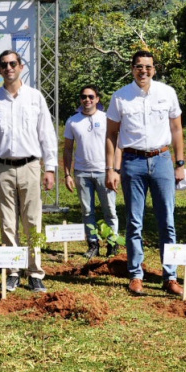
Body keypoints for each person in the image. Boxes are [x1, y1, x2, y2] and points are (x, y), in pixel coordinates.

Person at [105, 50, 186, 296]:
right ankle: (136, 274)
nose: (144, 71)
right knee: (134, 221)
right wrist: (112, 169)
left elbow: (176, 129)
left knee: (167, 221)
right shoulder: (120, 97)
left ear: (154, 69)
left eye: (148, 67)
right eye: (139, 66)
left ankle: (170, 275)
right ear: (132, 69)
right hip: (132, 161)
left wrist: (180, 163)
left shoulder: (167, 93)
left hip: (161, 160)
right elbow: (111, 135)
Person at [0, 50, 58, 294]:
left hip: (31, 167)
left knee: (33, 222)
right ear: (0, 70)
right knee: (7, 223)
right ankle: (13, 271)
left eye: (13, 63)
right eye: (4, 65)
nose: (9, 68)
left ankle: (35, 272)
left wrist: (51, 168)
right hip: (1, 168)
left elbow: (46, 134)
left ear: (21, 66)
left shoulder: (35, 97)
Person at [63, 85, 117, 259]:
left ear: (97, 99)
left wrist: (115, 170)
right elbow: (68, 149)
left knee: (110, 210)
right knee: (87, 211)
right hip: (81, 173)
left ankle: (112, 244)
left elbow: (116, 145)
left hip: (104, 171)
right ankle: (93, 244)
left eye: (91, 97)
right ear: (80, 99)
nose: (87, 100)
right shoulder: (72, 121)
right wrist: (67, 174)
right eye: (84, 97)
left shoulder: (107, 118)